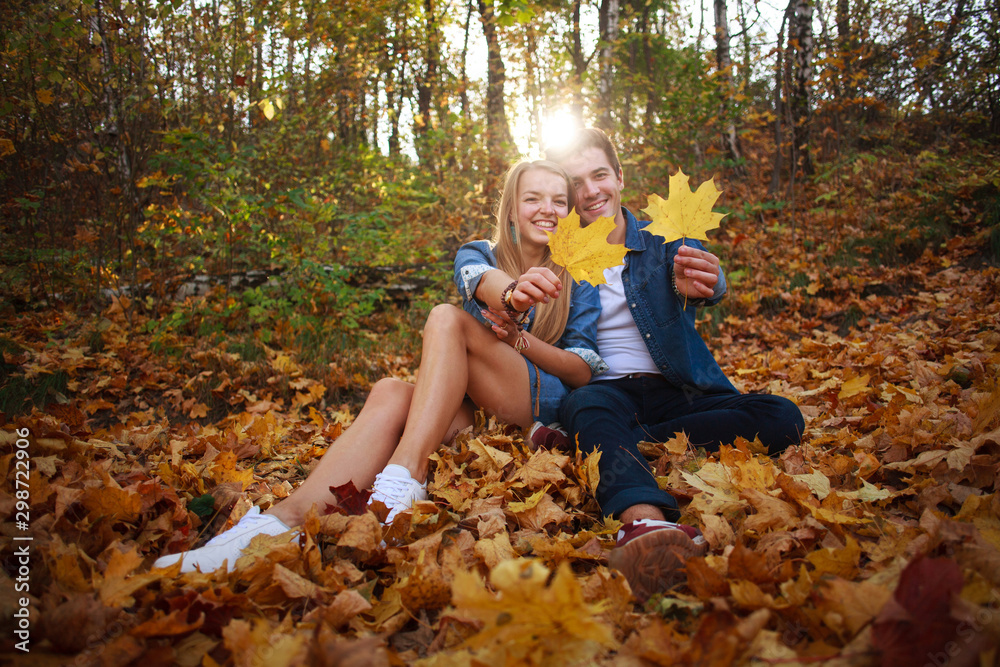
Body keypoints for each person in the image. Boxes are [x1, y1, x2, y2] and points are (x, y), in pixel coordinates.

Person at [153, 159, 605, 573]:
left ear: (569, 214)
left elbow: (581, 370)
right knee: (390, 389)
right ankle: (280, 523)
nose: (547, 209)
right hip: (477, 406)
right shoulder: (479, 252)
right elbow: (484, 284)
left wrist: (518, 338)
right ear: (511, 209)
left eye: (559, 201)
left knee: (445, 317)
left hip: (536, 403)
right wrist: (512, 295)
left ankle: (405, 478)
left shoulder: (578, 275)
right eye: (533, 198)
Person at [545, 128, 804, 602]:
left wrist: (710, 280)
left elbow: (706, 274)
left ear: (619, 177)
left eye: (599, 175)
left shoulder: (662, 239)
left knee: (782, 415)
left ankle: (632, 446)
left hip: (680, 393)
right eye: (575, 182)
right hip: (606, 394)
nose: (590, 191)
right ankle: (644, 525)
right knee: (583, 406)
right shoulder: (559, 257)